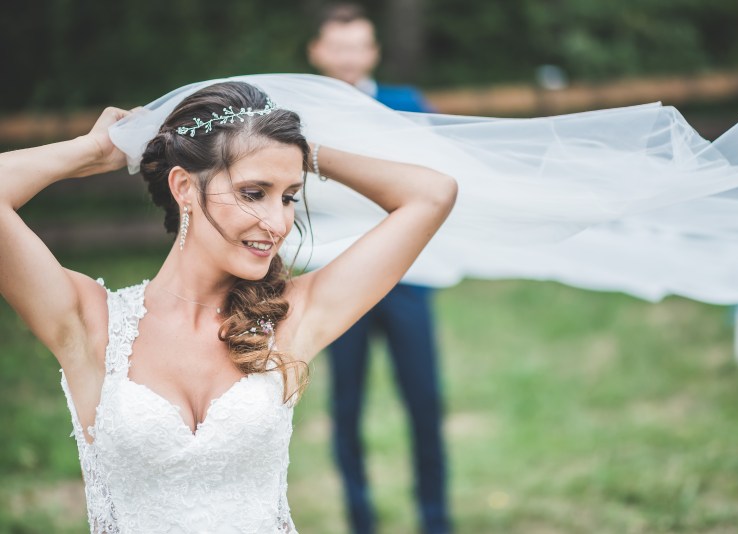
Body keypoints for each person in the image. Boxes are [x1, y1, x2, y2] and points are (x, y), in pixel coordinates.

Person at [0, 81, 457, 533]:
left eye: (289, 197)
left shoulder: (290, 318)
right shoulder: (89, 321)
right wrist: (92, 151)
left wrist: (300, 150)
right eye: (254, 193)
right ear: (183, 187)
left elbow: (432, 194)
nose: (278, 223)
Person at [307, 5, 450, 534]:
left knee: (424, 400)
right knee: (346, 404)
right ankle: (360, 519)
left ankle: (435, 519)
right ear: (318, 52)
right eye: (338, 47)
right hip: (337, 277)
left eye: (358, 46)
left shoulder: (406, 104)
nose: (348, 57)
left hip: (409, 277)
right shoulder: (299, 112)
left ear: (373, 52)